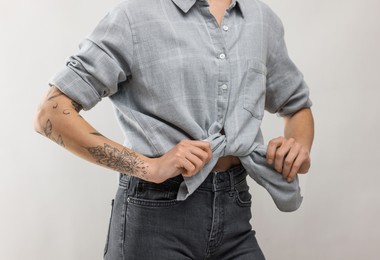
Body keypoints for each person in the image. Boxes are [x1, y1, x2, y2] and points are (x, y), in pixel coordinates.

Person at [34, 0, 314, 259]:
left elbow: (296, 105)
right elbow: (51, 112)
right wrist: (149, 167)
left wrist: (297, 146)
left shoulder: (262, 19)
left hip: (236, 210)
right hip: (155, 216)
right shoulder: (136, 16)